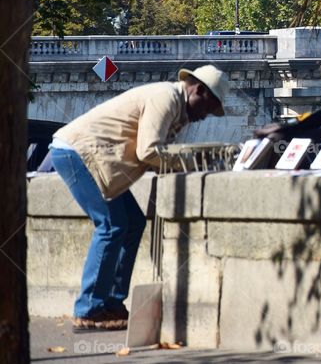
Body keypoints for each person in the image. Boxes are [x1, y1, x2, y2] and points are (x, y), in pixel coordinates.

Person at [49, 65, 230, 332]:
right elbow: (149, 151)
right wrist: (188, 163)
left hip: (93, 160)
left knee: (133, 222)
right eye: (208, 107)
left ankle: (111, 302)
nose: (206, 117)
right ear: (199, 90)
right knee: (111, 226)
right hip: (77, 154)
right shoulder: (166, 98)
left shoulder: (176, 109)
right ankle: (88, 309)